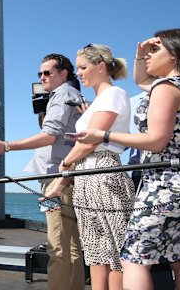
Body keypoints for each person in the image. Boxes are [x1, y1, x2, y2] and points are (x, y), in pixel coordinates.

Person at [76, 29, 180, 290]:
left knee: (133, 258)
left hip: (163, 186)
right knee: (177, 257)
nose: (147, 57)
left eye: (155, 50)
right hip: (175, 185)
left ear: (175, 54)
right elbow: (141, 79)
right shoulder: (171, 85)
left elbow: (157, 140)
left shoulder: (166, 87)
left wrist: (104, 134)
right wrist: (140, 56)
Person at [0, 54, 85, 290]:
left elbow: (49, 135)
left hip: (55, 179)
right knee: (72, 245)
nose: (42, 77)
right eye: (40, 73)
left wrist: (7, 146)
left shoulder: (62, 95)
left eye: (48, 72)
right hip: (68, 176)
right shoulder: (73, 94)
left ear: (64, 74)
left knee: (57, 244)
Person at [45, 44, 135, 290]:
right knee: (95, 250)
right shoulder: (98, 101)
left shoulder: (113, 95)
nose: (80, 73)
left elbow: (89, 143)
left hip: (103, 173)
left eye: (84, 67)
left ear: (101, 66)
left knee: (114, 251)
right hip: (87, 175)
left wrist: (62, 173)